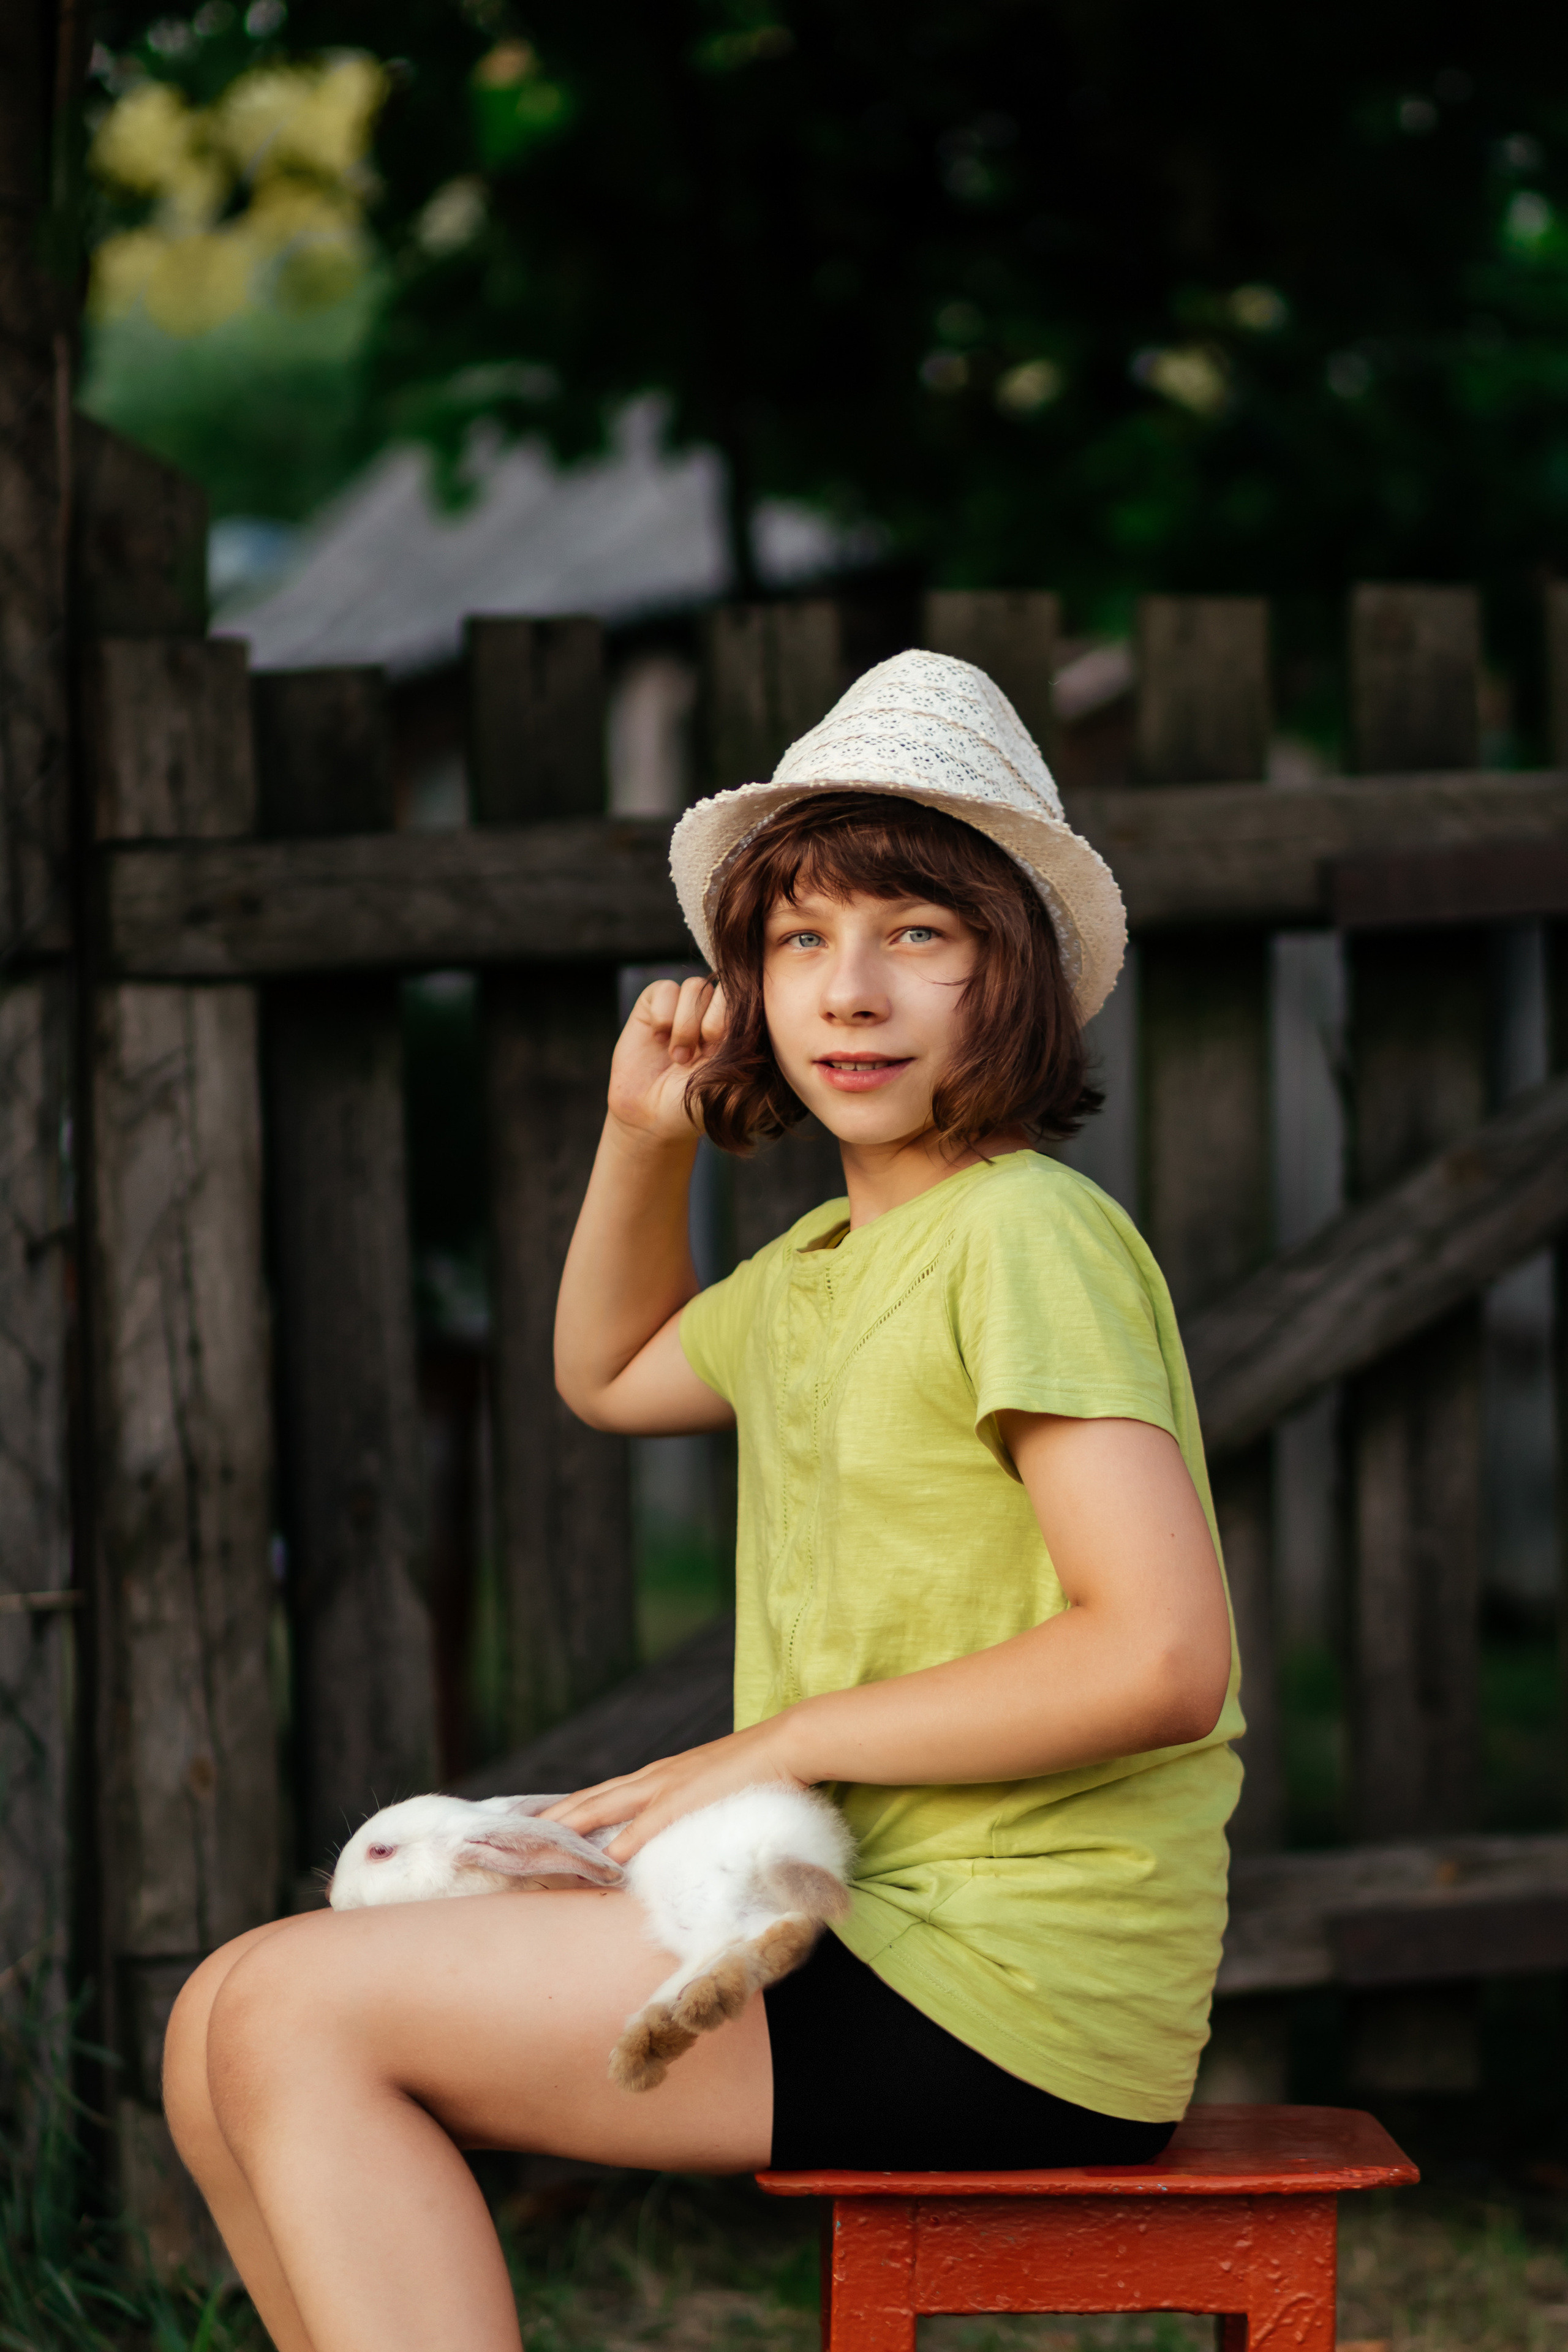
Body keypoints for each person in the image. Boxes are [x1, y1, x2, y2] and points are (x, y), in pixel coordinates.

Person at [163, 652, 1241, 2352]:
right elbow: (612, 1372)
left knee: (295, 2011)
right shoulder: (825, 1261)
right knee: (216, 2011)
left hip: (1006, 1988)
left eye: (918, 936)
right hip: (863, 1931)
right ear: (744, 985)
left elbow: (1162, 1658)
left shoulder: (1024, 1235)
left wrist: (767, 1747)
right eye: (801, 941)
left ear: (1013, 978)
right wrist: (640, 1136)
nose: (852, 992)